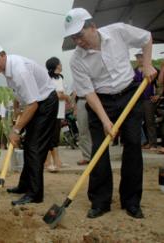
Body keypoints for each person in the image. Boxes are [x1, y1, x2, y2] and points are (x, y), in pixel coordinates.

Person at [64, 8, 157, 219]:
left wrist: (148, 64)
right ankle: (100, 201)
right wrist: (106, 121)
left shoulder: (118, 32)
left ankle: (131, 201)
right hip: (101, 102)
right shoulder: (76, 60)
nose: (78, 41)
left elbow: (146, 37)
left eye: (80, 35)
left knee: (133, 144)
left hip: (129, 95)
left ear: (93, 27)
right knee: (99, 150)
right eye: (73, 37)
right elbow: (89, 94)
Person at [0, 42, 58, 205]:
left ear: (2, 55)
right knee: (28, 145)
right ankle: (24, 186)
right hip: (36, 103)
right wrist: (17, 119)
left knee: (35, 147)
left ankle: (35, 194)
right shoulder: (8, 71)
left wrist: (16, 129)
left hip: (45, 103)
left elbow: (33, 104)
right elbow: (20, 97)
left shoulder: (19, 70)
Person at [45, 57, 70, 172]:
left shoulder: (55, 78)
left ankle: (54, 161)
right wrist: (68, 97)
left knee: (54, 136)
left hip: (57, 111)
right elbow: (58, 95)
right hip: (53, 111)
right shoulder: (55, 79)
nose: (61, 64)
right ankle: (51, 162)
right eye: (60, 62)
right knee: (52, 137)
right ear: (56, 65)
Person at [133, 50, 158, 150]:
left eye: (141, 57)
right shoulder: (134, 71)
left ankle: (153, 144)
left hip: (148, 99)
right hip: (137, 100)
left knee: (149, 122)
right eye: (138, 57)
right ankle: (144, 142)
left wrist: (158, 95)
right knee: (138, 122)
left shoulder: (152, 69)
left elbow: (160, 83)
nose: (140, 59)